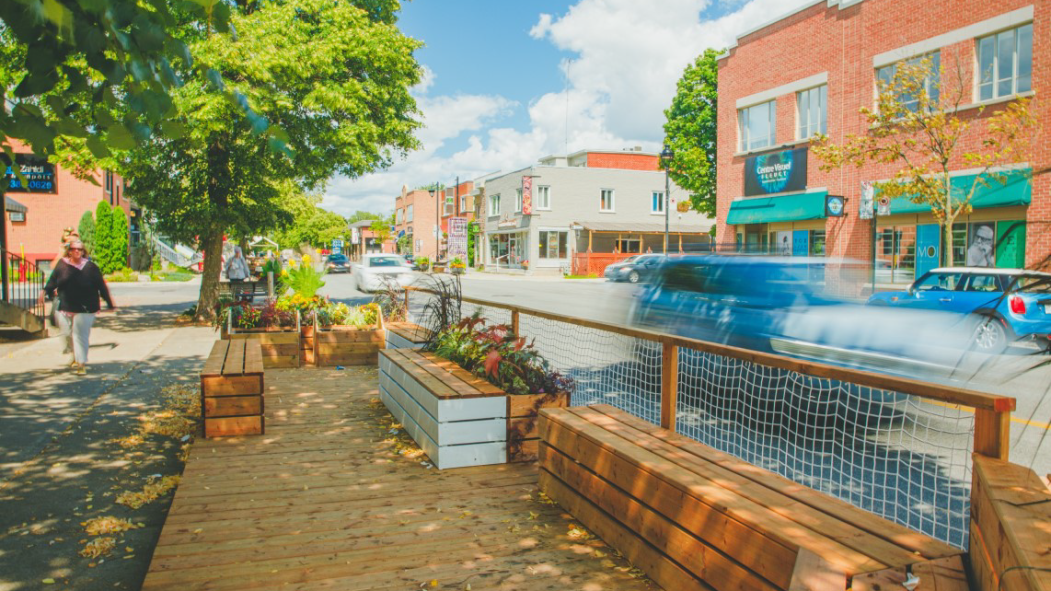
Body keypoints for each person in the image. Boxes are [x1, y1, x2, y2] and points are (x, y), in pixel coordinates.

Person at [40, 240, 115, 374]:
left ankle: (81, 363)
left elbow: (101, 286)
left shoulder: (90, 267)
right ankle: (75, 355)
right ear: (69, 251)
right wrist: (45, 291)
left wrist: (109, 303)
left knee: (80, 334)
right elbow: (53, 280)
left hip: (86, 307)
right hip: (65, 305)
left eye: (80, 249)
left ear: (83, 251)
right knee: (66, 333)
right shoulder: (62, 265)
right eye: (74, 249)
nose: (77, 251)